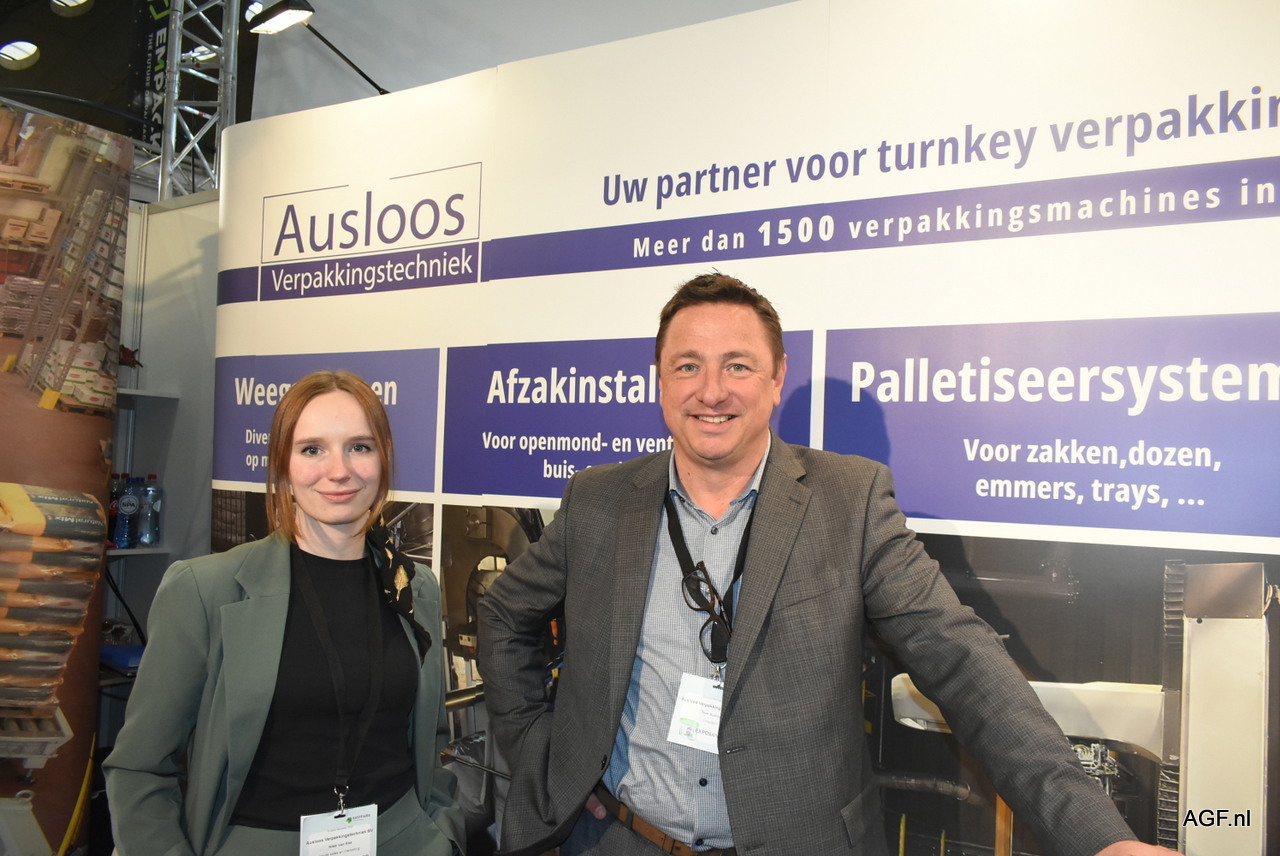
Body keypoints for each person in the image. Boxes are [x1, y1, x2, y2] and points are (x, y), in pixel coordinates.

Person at [477, 274, 1177, 856]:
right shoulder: (599, 500)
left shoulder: (850, 502)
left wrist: (1102, 838)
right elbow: (505, 614)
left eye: (738, 365)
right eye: (688, 365)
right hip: (619, 839)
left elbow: (963, 664)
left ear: (776, 378)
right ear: (660, 381)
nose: (711, 390)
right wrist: (546, 754)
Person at [105, 371, 465, 856]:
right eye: (312, 449)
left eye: (359, 447)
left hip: (403, 838)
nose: (338, 471)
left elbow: (430, 737)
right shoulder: (205, 590)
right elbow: (140, 768)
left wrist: (442, 834)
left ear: (384, 458)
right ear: (282, 466)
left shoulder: (416, 587)